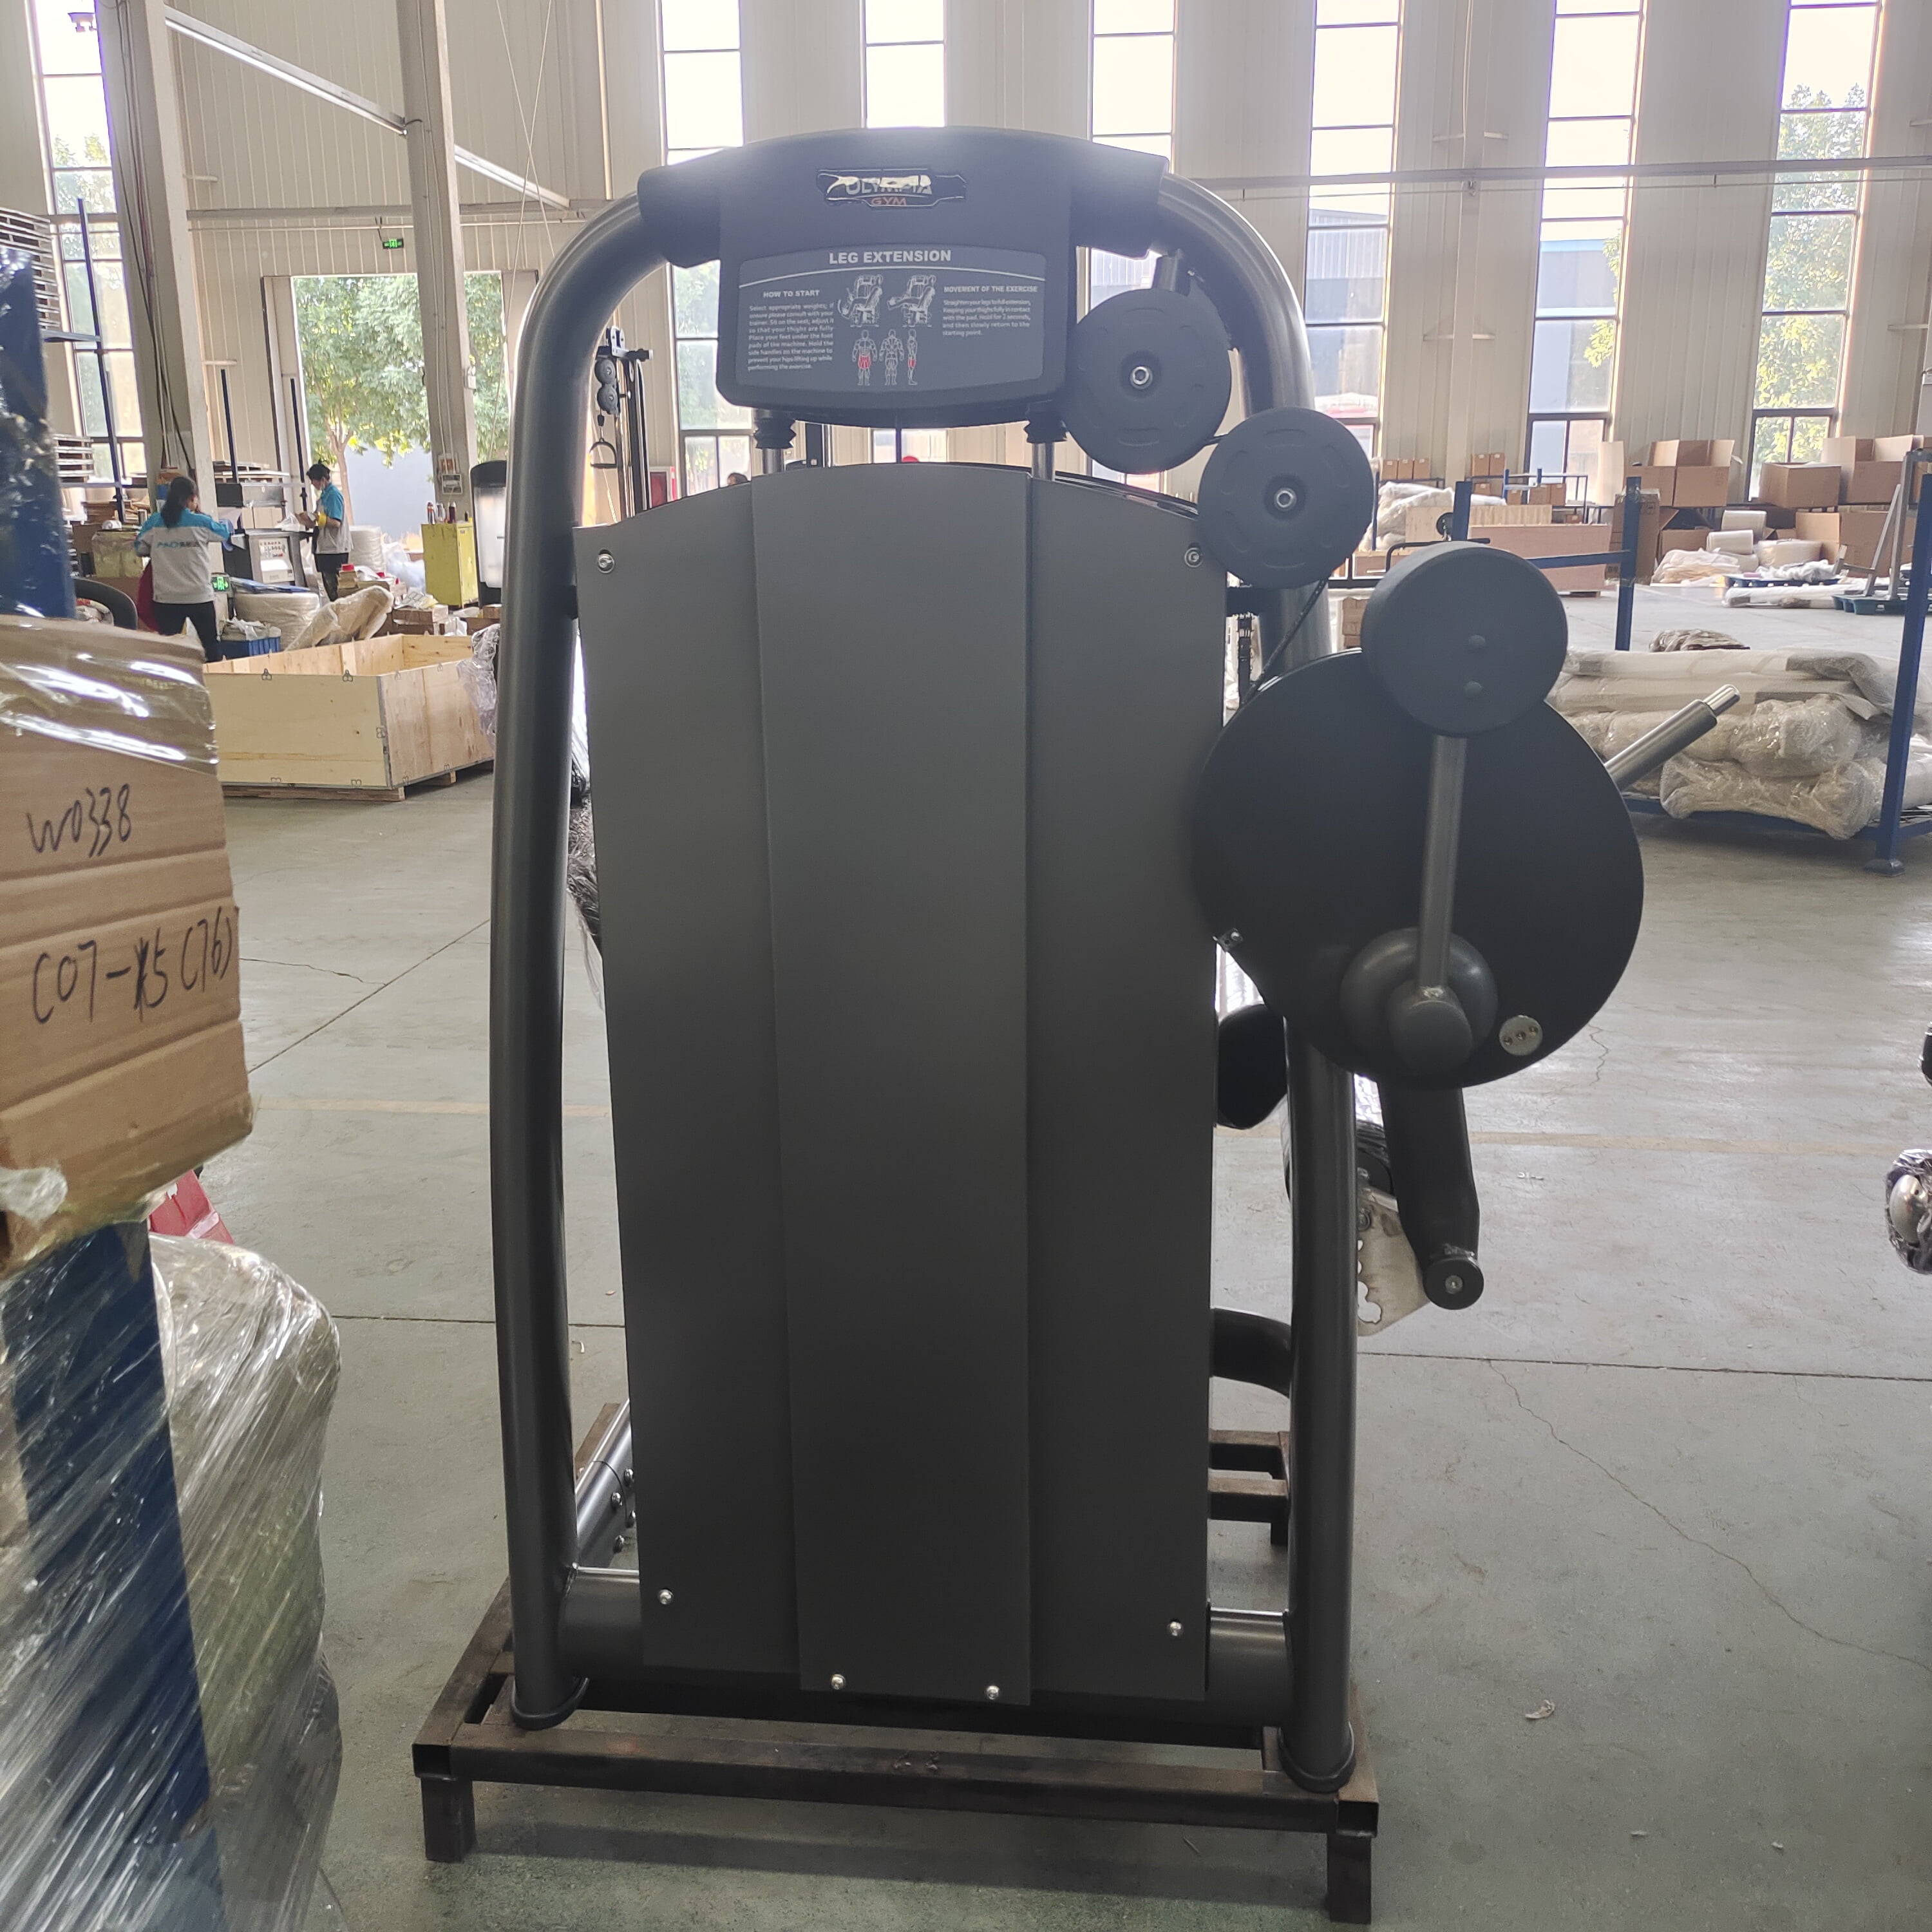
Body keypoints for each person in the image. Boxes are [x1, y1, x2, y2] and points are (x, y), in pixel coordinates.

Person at [135, 476, 231, 657]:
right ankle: (216, 673)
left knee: (169, 649)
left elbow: (139, 549)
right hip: (199, 596)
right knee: (210, 645)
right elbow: (224, 534)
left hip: (166, 599)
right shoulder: (202, 522)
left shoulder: (155, 522)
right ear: (193, 498)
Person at [305, 460, 349, 597]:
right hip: (324, 549)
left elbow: (336, 522)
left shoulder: (333, 495)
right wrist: (307, 519)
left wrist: (318, 518)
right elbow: (319, 519)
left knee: (336, 589)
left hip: (334, 550)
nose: (313, 484)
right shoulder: (323, 497)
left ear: (323, 479)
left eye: (314, 481)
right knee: (329, 587)